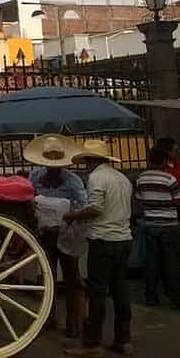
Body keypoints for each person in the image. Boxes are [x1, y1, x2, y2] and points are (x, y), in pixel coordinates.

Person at [63, 140, 133, 357]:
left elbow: (96, 208)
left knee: (98, 292)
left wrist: (72, 216)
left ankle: (92, 342)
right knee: (121, 290)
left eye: (86, 162)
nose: (85, 166)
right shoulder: (122, 178)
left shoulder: (96, 178)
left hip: (103, 241)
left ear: (92, 161)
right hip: (124, 239)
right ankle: (124, 339)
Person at [25, 134, 88, 338]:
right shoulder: (34, 177)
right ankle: (47, 319)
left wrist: (68, 214)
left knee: (73, 280)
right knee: (46, 277)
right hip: (44, 234)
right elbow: (28, 200)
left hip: (67, 234)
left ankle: (74, 323)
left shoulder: (73, 181)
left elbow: (83, 205)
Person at [134, 146, 180, 308]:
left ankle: (151, 296)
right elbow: (178, 201)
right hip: (169, 225)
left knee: (152, 261)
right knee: (171, 262)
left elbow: (139, 200)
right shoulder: (170, 179)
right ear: (164, 161)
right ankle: (175, 296)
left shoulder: (141, 179)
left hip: (150, 225)